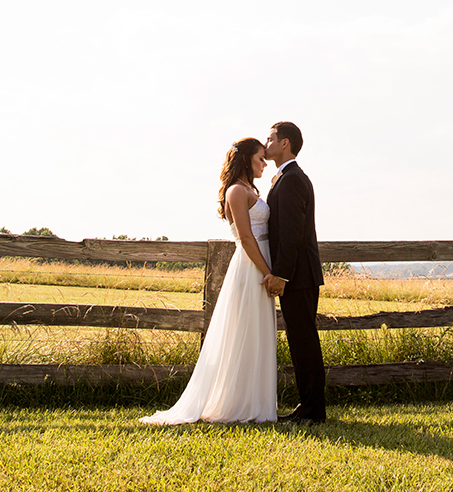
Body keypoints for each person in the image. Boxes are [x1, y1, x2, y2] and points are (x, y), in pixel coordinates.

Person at [140, 137, 277, 424]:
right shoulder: (237, 192)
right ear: (246, 160)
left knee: (257, 331)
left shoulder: (250, 189)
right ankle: (237, 404)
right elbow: (245, 238)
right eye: (260, 158)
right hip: (251, 265)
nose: (265, 163)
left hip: (260, 261)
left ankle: (255, 401)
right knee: (244, 331)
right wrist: (267, 271)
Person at [261, 121, 326, 425]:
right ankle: (308, 406)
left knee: (304, 343)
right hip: (296, 276)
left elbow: (293, 234)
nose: (266, 143)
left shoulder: (293, 180)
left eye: (270, 139)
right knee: (300, 342)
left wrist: (281, 274)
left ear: (284, 143)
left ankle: (314, 410)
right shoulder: (284, 179)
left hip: (298, 277)